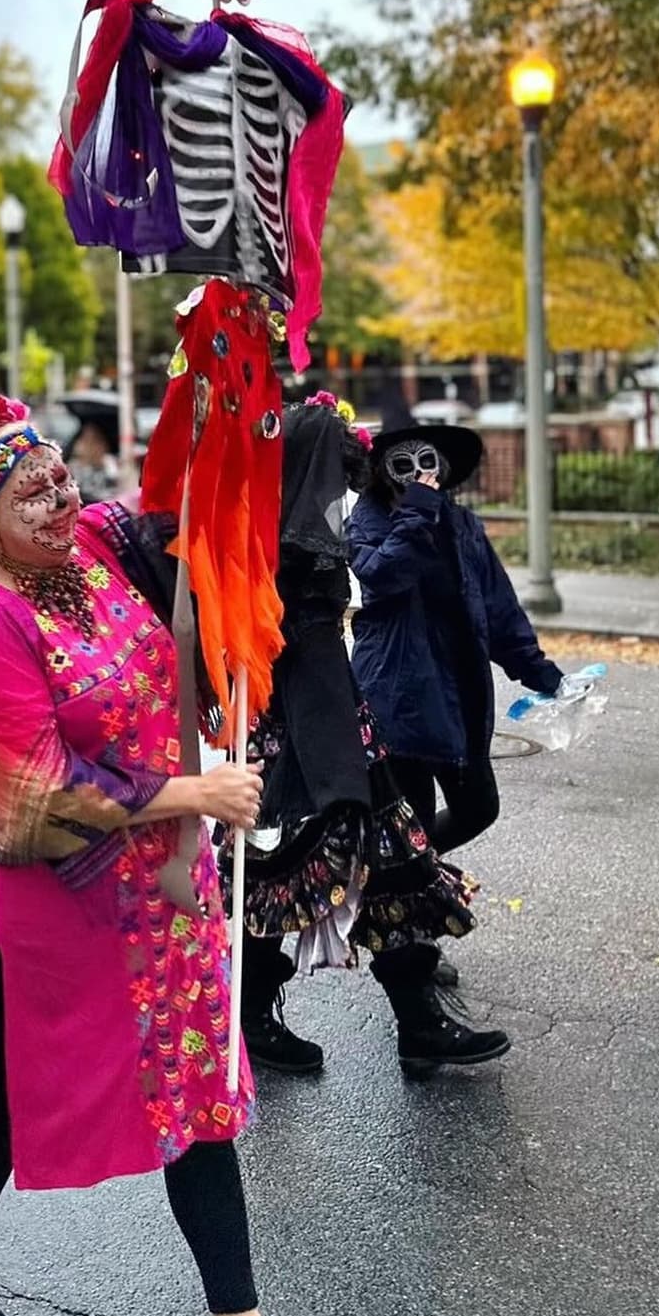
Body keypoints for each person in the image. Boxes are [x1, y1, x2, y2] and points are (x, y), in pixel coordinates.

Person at [0, 386, 290, 1316]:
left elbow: (195, 499)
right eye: (28, 497)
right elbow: (27, 797)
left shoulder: (103, 548)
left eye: (59, 480)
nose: (56, 504)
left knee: (199, 1095)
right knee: (10, 1104)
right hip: (57, 923)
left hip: (168, 898)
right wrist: (192, 797)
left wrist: (243, 386)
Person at [225, 397, 509, 1078]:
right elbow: (291, 641)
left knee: (388, 864)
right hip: (304, 728)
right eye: (341, 459)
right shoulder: (288, 542)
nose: (355, 471)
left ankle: (415, 1024)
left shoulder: (308, 527)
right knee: (290, 871)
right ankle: (254, 1016)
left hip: (337, 722)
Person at [349, 422, 564, 879]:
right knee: (415, 820)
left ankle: (398, 872)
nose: (417, 474)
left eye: (426, 463)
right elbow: (383, 576)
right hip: (399, 696)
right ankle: (409, 937)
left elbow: (498, 606)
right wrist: (416, 513)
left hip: (459, 694)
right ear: (384, 473)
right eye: (402, 465)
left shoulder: (462, 525)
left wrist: (541, 673)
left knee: (478, 807)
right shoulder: (367, 523)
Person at [68, 417, 119, 503]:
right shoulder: (72, 469)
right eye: (86, 440)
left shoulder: (111, 465)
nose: (90, 446)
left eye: (94, 440)